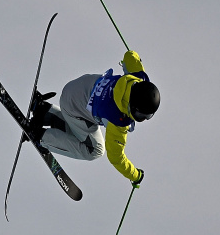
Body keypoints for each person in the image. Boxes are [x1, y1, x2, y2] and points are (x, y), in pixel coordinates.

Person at [27, 50, 160, 186]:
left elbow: (130, 56)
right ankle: (40, 136)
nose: (141, 119)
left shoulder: (136, 77)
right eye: (141, 116)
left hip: (75, 88)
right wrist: (135, 175)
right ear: (134, 108)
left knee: (86, 129)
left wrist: (135, 59)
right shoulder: (117, 120)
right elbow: (116, 157)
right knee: (95, 150)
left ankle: (44, 111)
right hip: (74, 107)